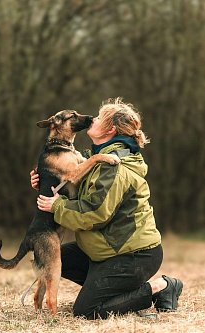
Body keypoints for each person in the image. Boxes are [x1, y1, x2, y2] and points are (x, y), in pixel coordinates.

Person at [30, 98, 183, 319]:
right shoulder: (99, 158)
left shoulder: (115, 167)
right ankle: (117, 292)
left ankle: (161, 288)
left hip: (133, 255)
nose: (93, 118)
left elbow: (93, 214)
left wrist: (58, 206)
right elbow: (77, 185)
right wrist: (48, 180)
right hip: (106, 251)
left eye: (99, 118)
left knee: (87, 310)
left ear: (110, 129)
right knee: (57, 258)